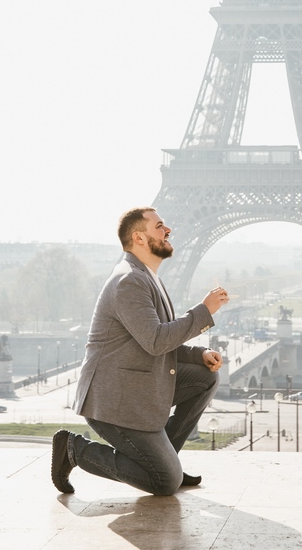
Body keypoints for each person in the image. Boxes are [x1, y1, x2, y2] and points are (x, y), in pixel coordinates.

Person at [50, 207, 230, 496]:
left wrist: (197, 354)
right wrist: (204, 310)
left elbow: (149, 341)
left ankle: (166, 459)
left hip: (135, 388)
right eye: (160, 226)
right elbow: (156, 341)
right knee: (164, 482)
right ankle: (74, 449)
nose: (168, 229)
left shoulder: (144, 276)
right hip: (114, 400)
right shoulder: (130, 281)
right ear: (140, 238)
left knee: (204, 377)